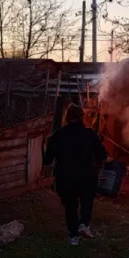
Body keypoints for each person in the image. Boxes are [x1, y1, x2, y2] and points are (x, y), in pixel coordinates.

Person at [43, 104, 108, 245]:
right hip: (87, 176)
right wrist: (97, 166)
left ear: (67, 117)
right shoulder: (90, 134)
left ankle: (73, 236)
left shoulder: (59, 135)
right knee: (87, 201)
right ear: (82, 117)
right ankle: (84, 223)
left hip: (66, 177)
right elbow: (102, 154)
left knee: (70, 206)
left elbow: (47, 159)